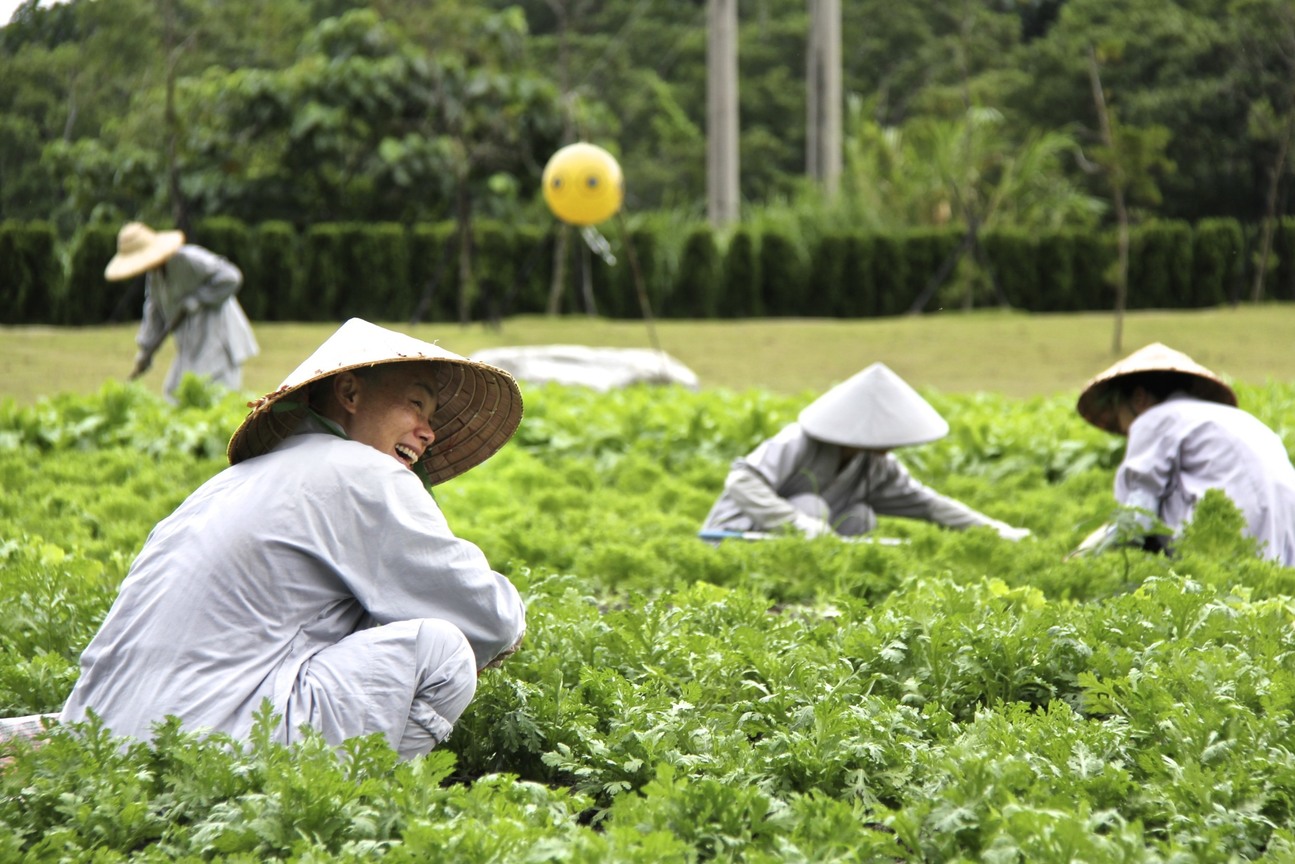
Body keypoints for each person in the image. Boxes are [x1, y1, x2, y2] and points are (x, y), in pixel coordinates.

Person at [60, 318, 528, 760]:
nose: (427, 433)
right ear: (349, 392)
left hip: (98, 740)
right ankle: (369, 814)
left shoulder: (222, 487)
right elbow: (493, 618)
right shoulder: (365, 474)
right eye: (416, 405)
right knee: (441, 652)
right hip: (207, 742)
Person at [699, 362, 1030, 542]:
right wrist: (799, 524)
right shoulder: (800, 441)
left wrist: (999, 530)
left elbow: (930, 505)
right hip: (734, 537)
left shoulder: (877, 466)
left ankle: (824, 586)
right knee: (810, 506)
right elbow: (741, 481)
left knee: (861, 517)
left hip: (802, 554)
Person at [1072, 342, 1295, 566]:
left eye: (1117, 410)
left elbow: (1137, 517)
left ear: (1139, 399)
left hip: (1229, 541)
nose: (1125, 431)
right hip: (1284, 543)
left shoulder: (1154, 419)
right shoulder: (1239, 419)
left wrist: (1081, 555)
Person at [105, 221, 260, 400]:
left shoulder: (189, 258)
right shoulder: (154, 274)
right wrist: (145, 350)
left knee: (215, 393)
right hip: (191, 339)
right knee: (174, 392)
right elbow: (154, 309)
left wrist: (199, 298)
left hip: (217, 334)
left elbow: (231, 277)